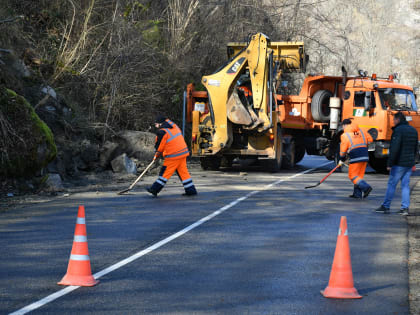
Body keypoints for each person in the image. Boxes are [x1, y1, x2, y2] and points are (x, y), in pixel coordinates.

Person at [375, 112, 418, 215]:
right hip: (408, 163)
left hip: (399, 163)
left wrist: (390, 163)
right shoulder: (413, 130)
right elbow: (416, 147)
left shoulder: (398, 131)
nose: (393, 122)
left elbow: (395, 148)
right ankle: (405, 208)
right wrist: (414, 162)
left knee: (392, 185)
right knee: (405, 186)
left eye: (394, 120)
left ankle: (386, 206)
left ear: (398, 119)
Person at [146, 114, 197, 197]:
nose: (155, 126)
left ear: (160, 124)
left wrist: (156, 156)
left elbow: (160, 147)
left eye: (156, 124)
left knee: (165, 173)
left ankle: (154, 189)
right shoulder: (174, 127)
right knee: (184, 173)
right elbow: (169, 122)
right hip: (183, 153)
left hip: (173, 156)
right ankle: (191, 190)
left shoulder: (162, 132)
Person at [339, 118, 373, 199]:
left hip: (355, 156)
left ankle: (366, 187)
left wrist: (342, 158)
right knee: (359, 176)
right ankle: (357, 194)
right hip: (365, 155)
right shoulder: (361, 131)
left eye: (343, 126)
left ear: (344, 125)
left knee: (352, 175)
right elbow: (370, 140)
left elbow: (343, 150)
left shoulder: (345, 135)